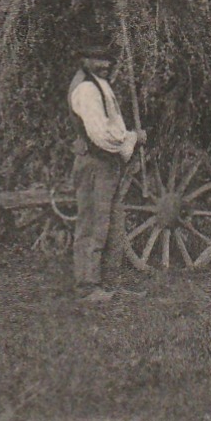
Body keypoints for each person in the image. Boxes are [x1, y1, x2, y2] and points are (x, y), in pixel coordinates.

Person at [68, 40, 145, 301]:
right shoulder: (87, 89)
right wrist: (132, 138)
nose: (105, 65)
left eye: (108, 60)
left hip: (107, 163)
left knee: (111, 223)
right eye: (97, 59)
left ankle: (109, 283)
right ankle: (87, 286)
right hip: (95, 163)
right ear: (84, 61)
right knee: (93, 223)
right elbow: (101, 134)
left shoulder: (99, 84)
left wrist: (126, 137)